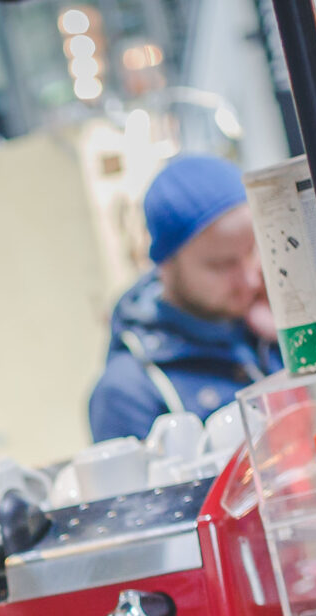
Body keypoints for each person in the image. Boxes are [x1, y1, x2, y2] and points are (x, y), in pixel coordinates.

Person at [88, 154, 284, 443]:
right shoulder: (128, 393)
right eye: (222, 265)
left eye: (251, 251)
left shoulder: (266, 330)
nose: (250, 279)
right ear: (165, 265)